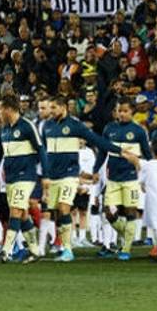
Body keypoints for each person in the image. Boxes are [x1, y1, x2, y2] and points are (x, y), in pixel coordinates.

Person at [39, 94, 119, 262]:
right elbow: (44, 153)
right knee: (55, 213)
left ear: (63, 107)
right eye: (49, 108)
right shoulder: (46, 126)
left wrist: (121, 152)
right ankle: (62, 245)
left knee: (64, 208)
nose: (51, 111)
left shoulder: (75, 125)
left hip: (69, 175)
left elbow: (98, 140)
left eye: (54, 108)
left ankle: (68, 250)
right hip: (53, 177)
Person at [0, 94, 46, 264]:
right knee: (22, 214)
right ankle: (35, 250)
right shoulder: (4, 130)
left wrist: (46, 175)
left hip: (26, 177)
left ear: (8, 109)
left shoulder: (27, 126)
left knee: (15, 210)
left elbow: (41, 150)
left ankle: (6, 250)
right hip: (11, 178)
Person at [97, 99, 149, 260]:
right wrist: (94, 170)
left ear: (132, 112)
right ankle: (128, 234)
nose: (122, 114)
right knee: (109, 213)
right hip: (112, 179)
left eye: (125, 111)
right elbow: (102, 152)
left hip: (130, 179)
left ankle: (126, 249)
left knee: (130, 212)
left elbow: (147, 154)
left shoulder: (138, 131)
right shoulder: (109, 129)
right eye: (120, 110)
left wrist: (148, 175)